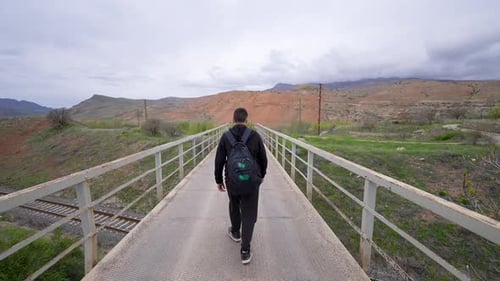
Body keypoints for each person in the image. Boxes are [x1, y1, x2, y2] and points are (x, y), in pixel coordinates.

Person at [214, 107, 268, 265]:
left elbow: (219, 161)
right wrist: (262, 176)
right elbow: (263, 159)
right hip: (251, 181)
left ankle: (236, 232)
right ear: (246, 120)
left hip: (232, 181)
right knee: (249, 214)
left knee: (234, 204)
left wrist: (219, 180)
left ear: (233, 119)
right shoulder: (255, 135)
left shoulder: (226, 137)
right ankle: (245, 251)